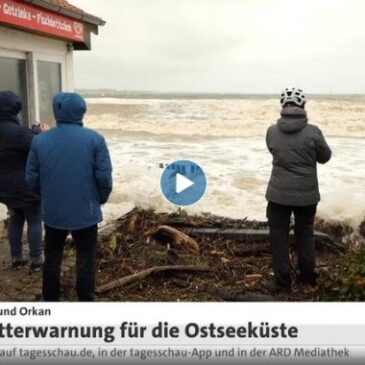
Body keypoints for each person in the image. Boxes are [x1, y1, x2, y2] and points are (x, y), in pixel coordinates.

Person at [26, 92, 113, 301]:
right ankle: (85, 299)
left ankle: (51, 300)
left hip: (54, 211)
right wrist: (99, 199)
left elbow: (30, 179)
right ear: (81, 111)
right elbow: (104, 178)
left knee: (53, 257)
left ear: (57, 111)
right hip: (86, 211)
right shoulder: (95, 139)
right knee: (85, 257)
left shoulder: (40, 141)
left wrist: (46, 197)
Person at [265, 87, 331, 291]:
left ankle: (283, 282)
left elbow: (273, 150)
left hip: (278, 195)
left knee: (278, 237)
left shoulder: (272, 131)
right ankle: (308, 278)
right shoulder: (313, 132)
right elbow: (325, 157)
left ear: (282, 106)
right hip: (306, 196)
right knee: (305, 235)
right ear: (303, 105)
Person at [0, 91, 45, 271]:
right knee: (34, 220)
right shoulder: (20, 133)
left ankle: (16, 258)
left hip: (4, 187)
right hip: (26, 185)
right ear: (13, 110)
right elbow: (39, 147)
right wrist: (40, 132)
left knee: (15, 218)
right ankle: (36, 259)